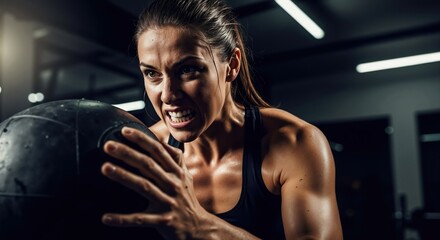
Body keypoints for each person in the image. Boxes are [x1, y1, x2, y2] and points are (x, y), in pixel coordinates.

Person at [100, 0, 343, 239]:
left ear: (232, 65)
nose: (168, 95)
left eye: (187, 70)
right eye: (152, 73)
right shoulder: (148, 149)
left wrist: (202, 226)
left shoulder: (294, 142)